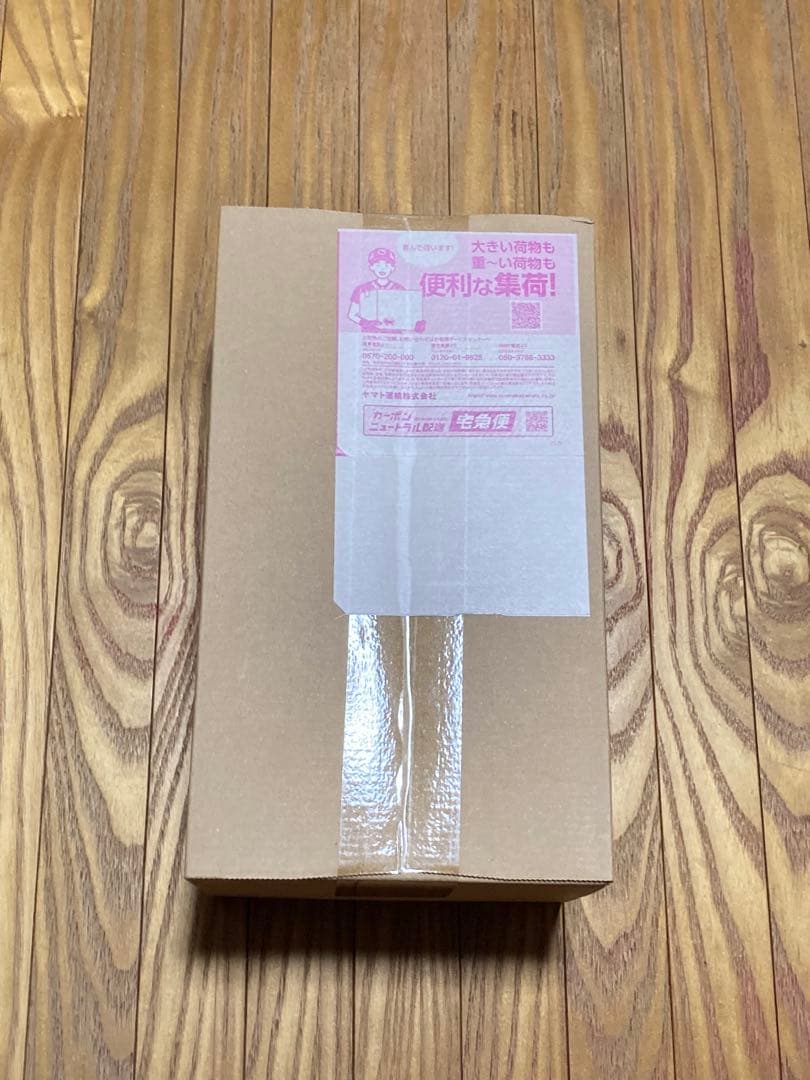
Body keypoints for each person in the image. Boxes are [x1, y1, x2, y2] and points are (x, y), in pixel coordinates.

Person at [347, 247, 406, 330]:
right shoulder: (361, 289)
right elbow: (352, 314)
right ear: (371, 267)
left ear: (393, 268)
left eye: (386, 265)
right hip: (369, 334)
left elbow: (406, 313)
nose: (382, 268)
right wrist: (364, 322)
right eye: (378, 265)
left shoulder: (399, 289)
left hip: (394, 333)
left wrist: (415, 324)